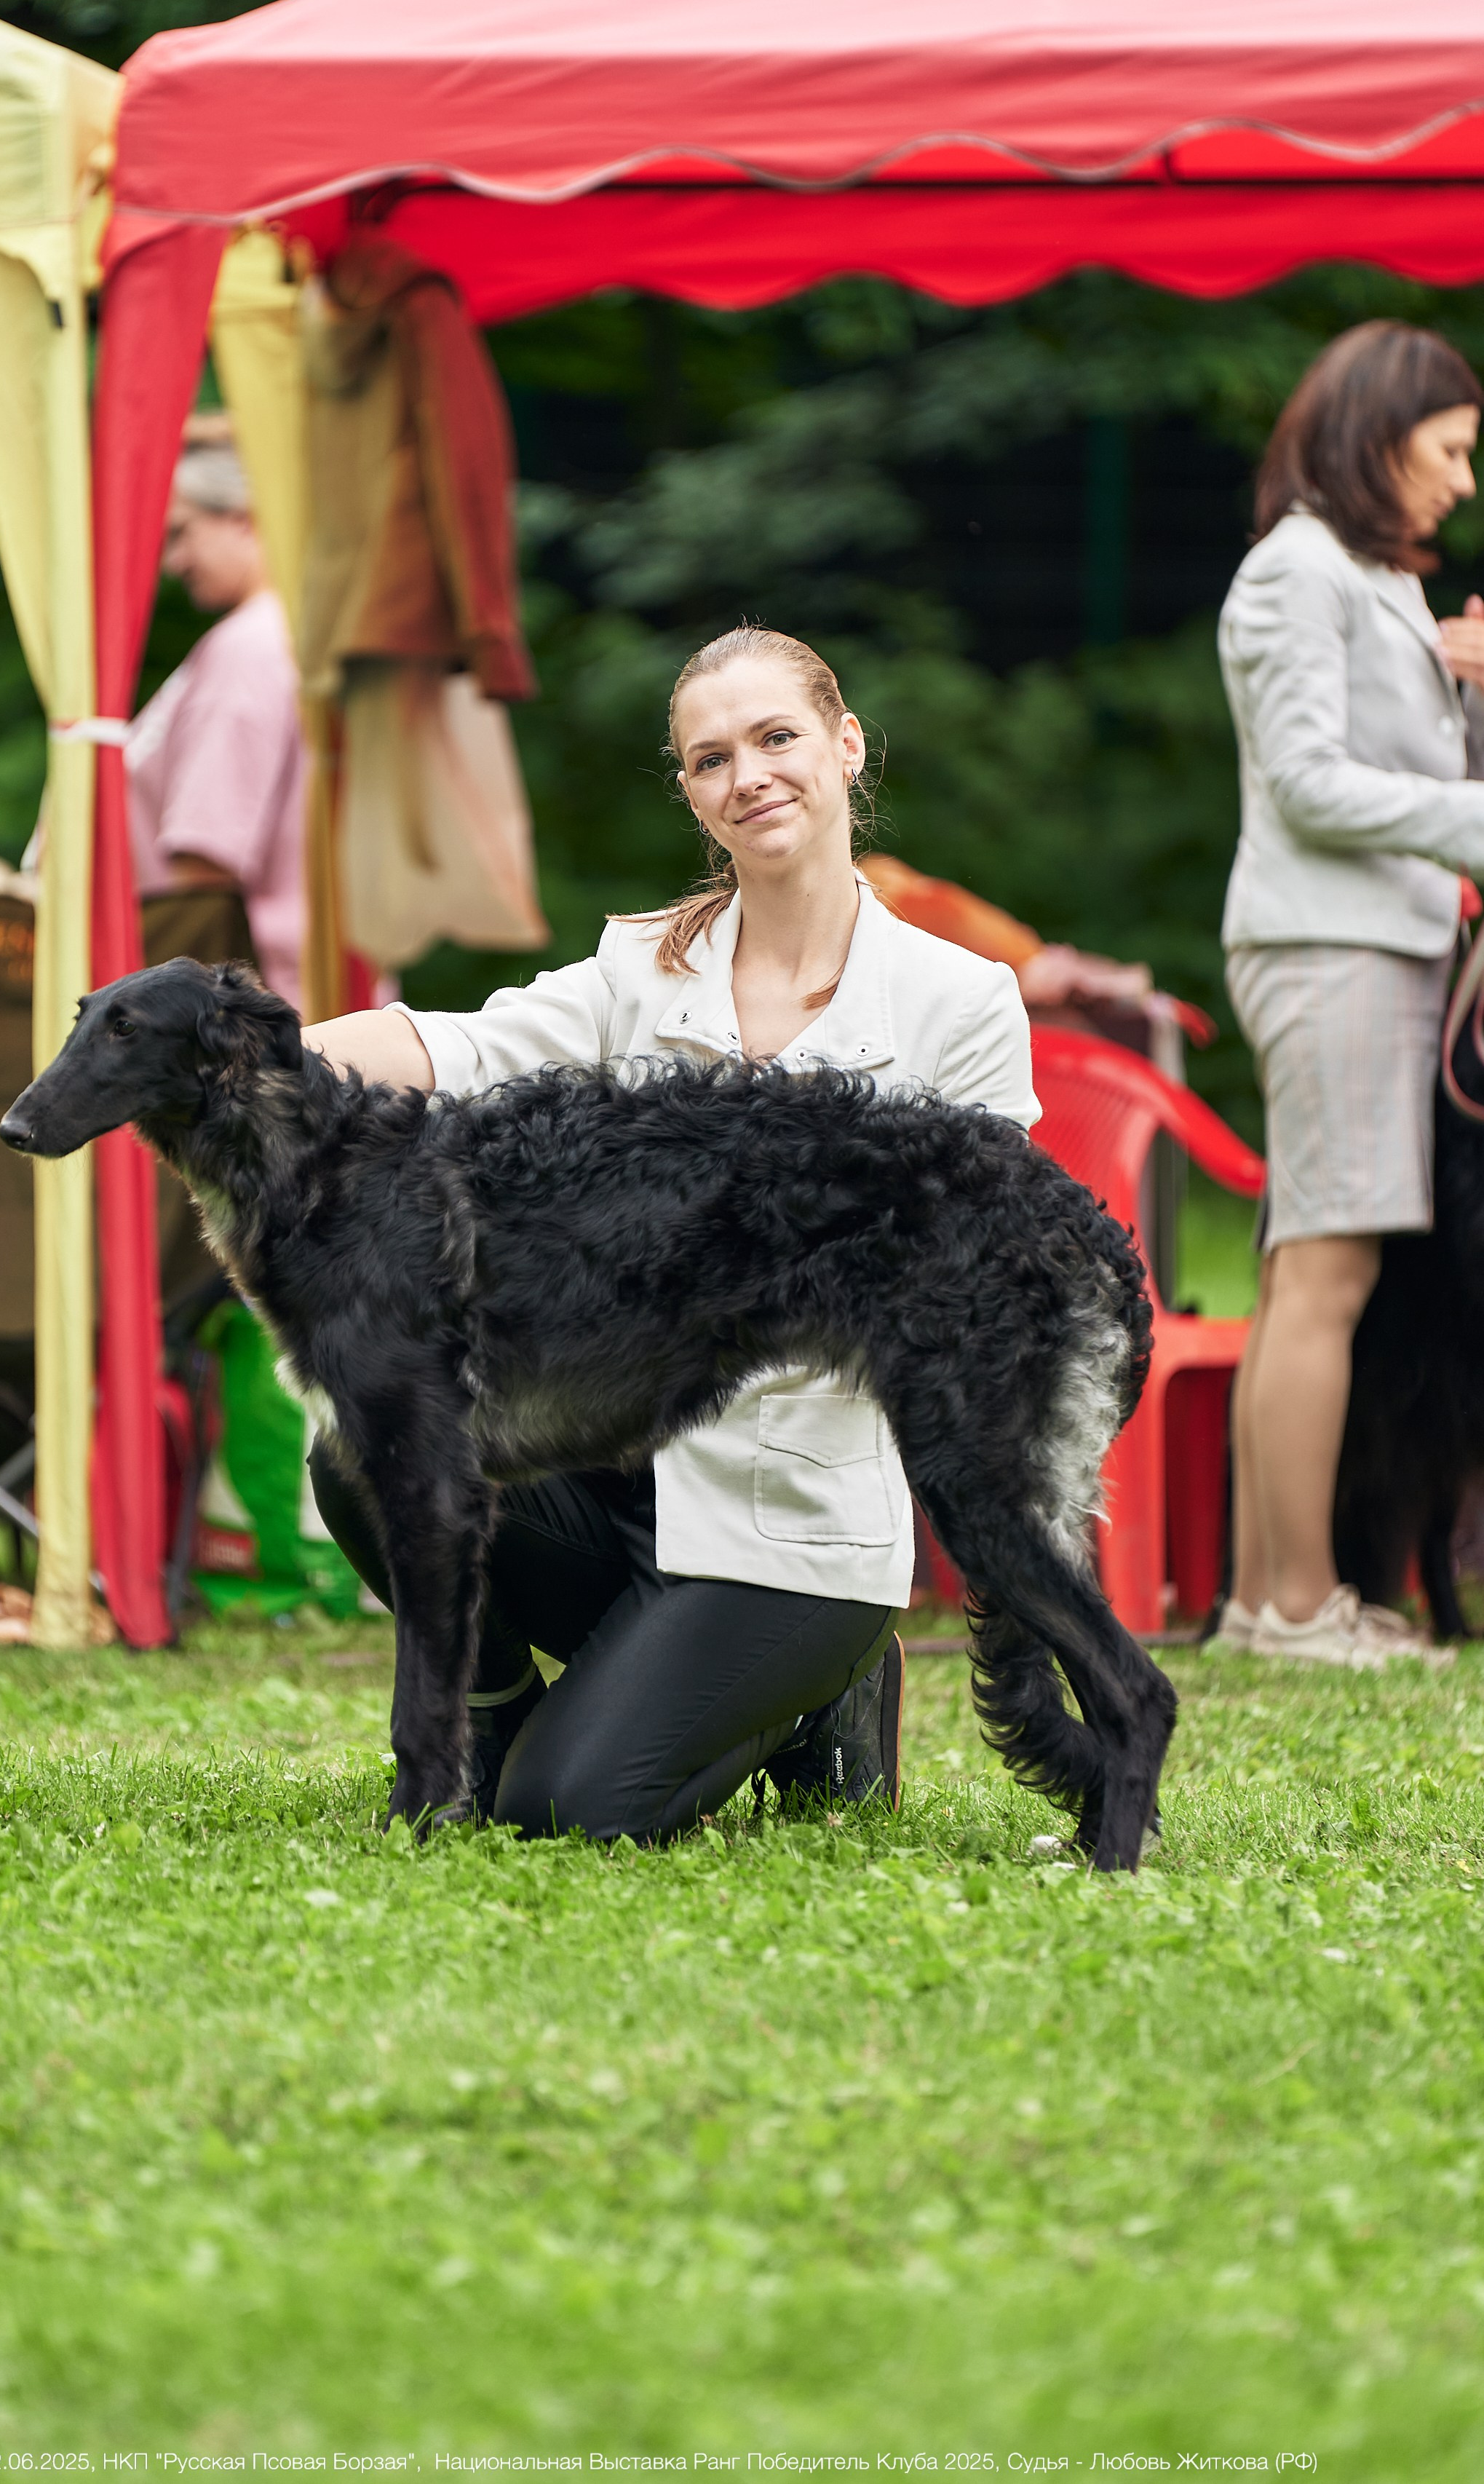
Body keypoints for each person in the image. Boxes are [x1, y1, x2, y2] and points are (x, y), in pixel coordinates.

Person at [301, 625, 1039, 1838]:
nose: (748, 774)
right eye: (711, 758)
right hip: (613, 1470)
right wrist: (247, 1057)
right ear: (693, 793)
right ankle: (488, 1718)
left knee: (573, 1811)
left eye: (776, 738)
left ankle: (825, 1689)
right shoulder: (641, 964)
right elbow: (458, 1047)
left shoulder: (960, 1002)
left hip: (789, 1520)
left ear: (846, 747)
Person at [1218, 321, 1484, 1666]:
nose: (1463, 482)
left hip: (1365, 949)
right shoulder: (1296, 575)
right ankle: (1292, 1604)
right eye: (1449, 450)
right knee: (1327, 1271)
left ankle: (1277, 1597)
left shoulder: (1361, 581)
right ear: (1380, 435)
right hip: (1330, 950)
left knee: (1308, 1272)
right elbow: (1312, 784)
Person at [124, 418, 308, 1008]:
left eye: (182, 533)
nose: (173, 561)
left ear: (245, 517)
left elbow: (205, 870)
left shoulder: (249, 647)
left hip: (237, 1017)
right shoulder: (286, 638)